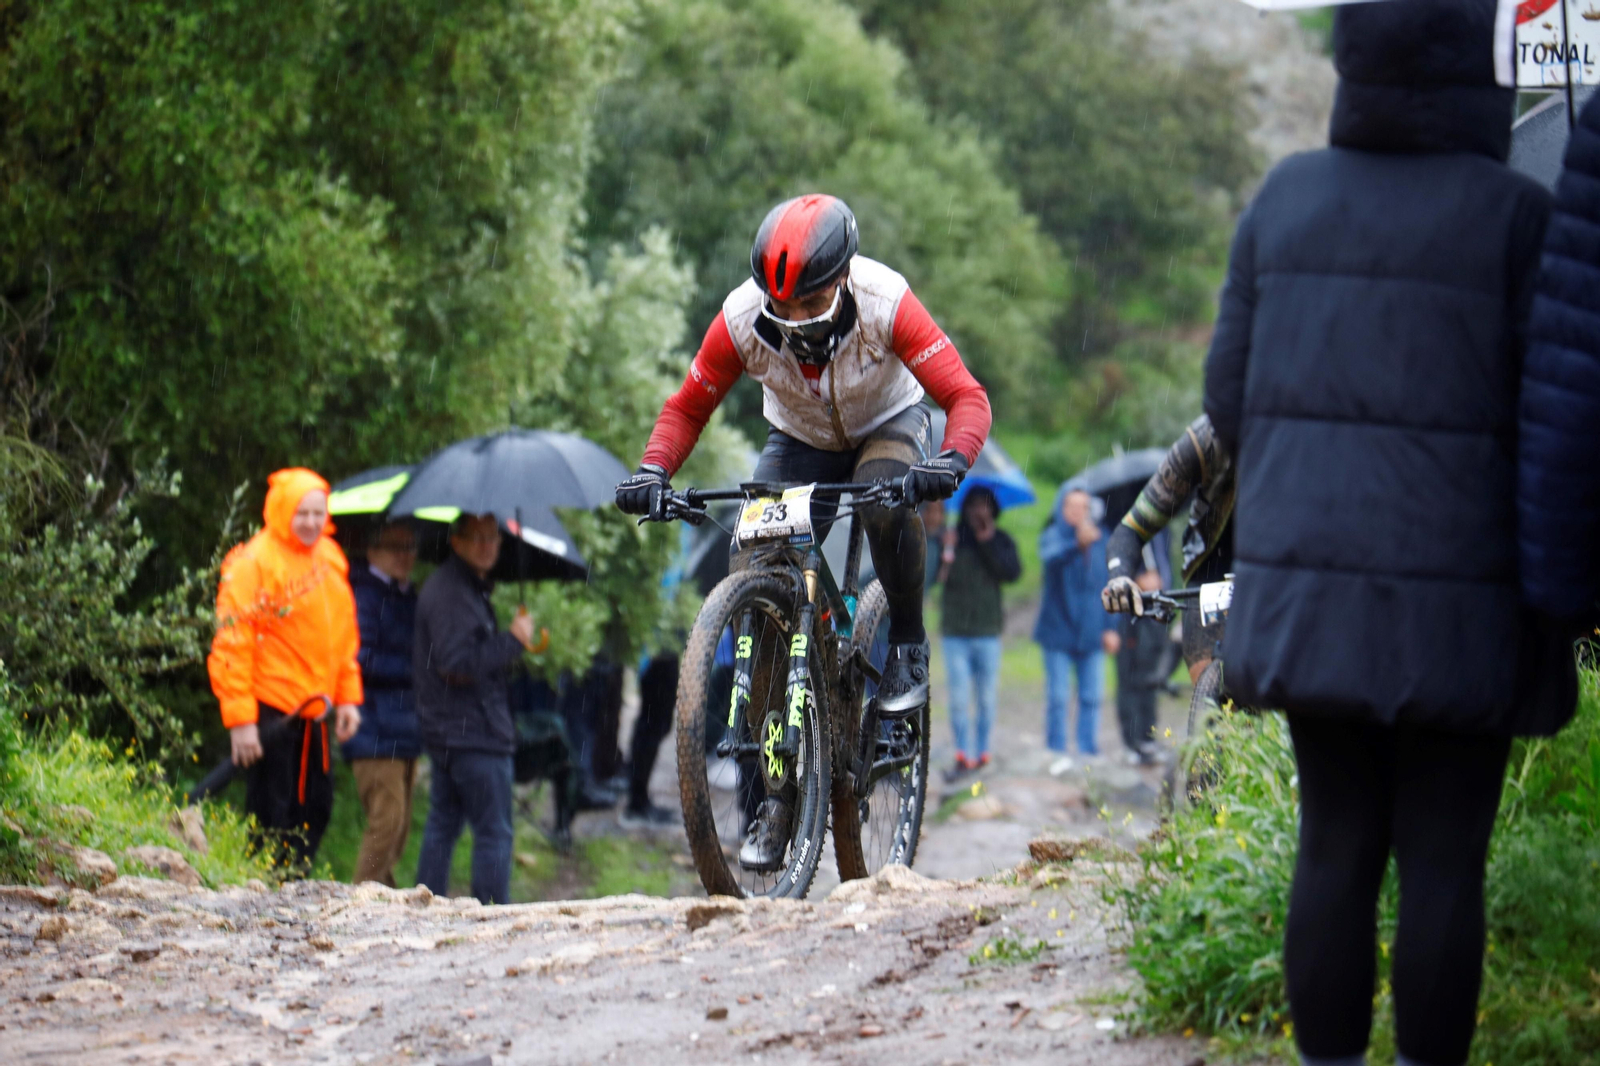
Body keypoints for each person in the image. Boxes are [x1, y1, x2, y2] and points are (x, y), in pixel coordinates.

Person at [1200, 5, 1573, 1065]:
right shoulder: (1514, 214)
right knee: (1445, 858)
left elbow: (1227, 400)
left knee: (1335, 842)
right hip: (1466, 599)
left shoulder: (1284, 201)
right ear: (1479, 73)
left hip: (1312, 596)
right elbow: (1552, 403)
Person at [615, 193, 991, 869]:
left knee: (883, 506)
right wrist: (653, 468)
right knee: (753, 566)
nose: (792, 322)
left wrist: (951, 461)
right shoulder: (739, 319)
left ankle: (905, 639)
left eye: (808, 307)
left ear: (842, 281)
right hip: (797, 439)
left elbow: (966, 396)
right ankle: (772, 801)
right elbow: (688, 405)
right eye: (779, 309)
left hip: (888, 426)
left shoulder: (886, 301)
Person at [208, 468, 363, 871]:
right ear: (281, 511)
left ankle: (294, 888)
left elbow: (342, 636)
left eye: (318, 513)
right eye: (302, 513)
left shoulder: (329, 558)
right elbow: (232, 641)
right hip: (271, 709)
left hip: (314, 712)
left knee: (317, 807)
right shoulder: (254, 562)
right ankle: (260, 896)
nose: (312, 523)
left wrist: (347, 697)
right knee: (270, 812)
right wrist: (241, 720)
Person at [413, 513, 538, 905]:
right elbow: (456, 664)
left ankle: (423, 906)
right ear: (457, 541)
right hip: (473, 733)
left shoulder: (462, 586)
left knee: (443, 825)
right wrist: (512, 642)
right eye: (477, 538)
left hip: (454, 730)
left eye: (493, 538)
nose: (487, 546)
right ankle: (492, 914)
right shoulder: (452, 592)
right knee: (493, 832)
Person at [1100, 414, 1233, 682]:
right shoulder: (1206, 439)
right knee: (1212, 691)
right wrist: (1120, 577)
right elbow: (1130, 530)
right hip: (1214, 570)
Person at [342, 520, 420, 887]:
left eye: (410, 547)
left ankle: (380, 896)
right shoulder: (362, 594)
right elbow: (359, 659)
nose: (405, 556)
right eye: (395, 547)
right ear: (372, 550)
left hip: (404, 725)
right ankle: (362, 894)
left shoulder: (406, 595)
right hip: (371, 724)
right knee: (386, 820)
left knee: (399, 827)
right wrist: (416, 667)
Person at [937, 486, 1021, 780]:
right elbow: (935, 578)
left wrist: (987, 541)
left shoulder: (1002, 541)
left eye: (984, 506)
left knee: (986, 698)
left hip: (988, 632)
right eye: (972, 505)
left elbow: (1011, 573)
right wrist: (942, 552)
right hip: (955, 632)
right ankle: (963, 755)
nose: (978, 512)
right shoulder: (952, 539)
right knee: (959, 698)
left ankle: (983, 754)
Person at [1033, 487, 1118, 760]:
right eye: (1071, 506)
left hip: (1092, 632)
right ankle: (1056, 751)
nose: (1076, 512)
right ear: (1062, 508)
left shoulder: (1102, 539)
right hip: (1058, 631)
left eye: (1082, 506)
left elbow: (1109, 586)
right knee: (1058, 697)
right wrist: (1076, 545)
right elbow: (1049, 558)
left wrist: (1111, 627)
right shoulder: (1054, 536)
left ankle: (1087, 751)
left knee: (1092, 696)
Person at [1113, 567, 1168, 765]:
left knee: (1151, 681)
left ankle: (1147, 738)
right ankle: (1131, 742)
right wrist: (1136, 581)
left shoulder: (1161, 539)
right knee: (1129, 683)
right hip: (1130, 622)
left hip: (1155, 619)